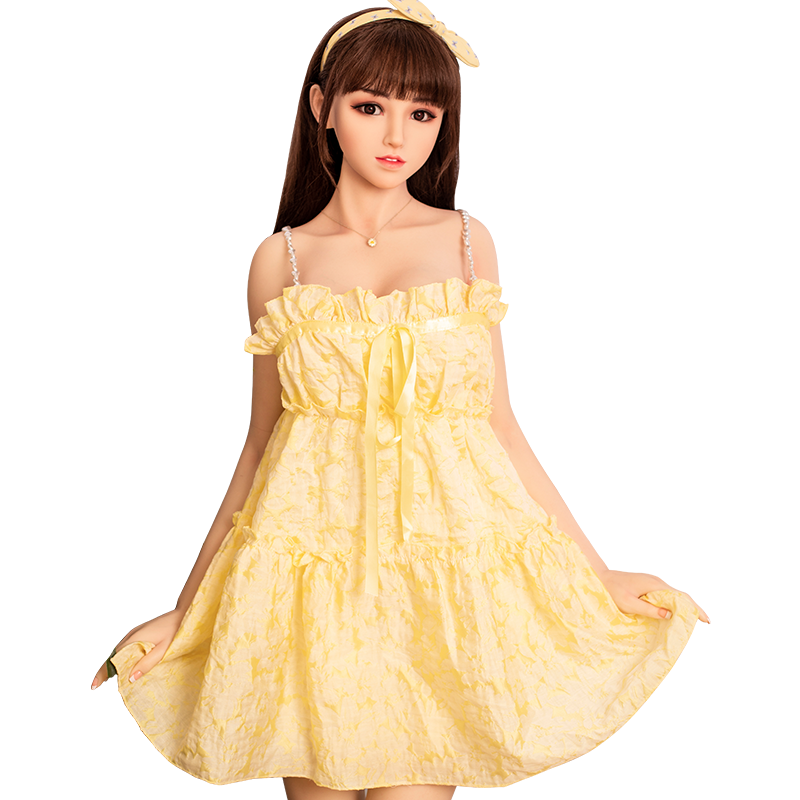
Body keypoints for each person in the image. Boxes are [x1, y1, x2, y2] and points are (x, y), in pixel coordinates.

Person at [93, 1, 710, 795]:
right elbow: (259, 447)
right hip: (314, 578)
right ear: (322, 108)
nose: (397, 135)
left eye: (422, 113)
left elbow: (503, 430)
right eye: (370, 106)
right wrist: (187, 614)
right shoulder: (279, 261)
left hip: (442, 576)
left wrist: (597, 576)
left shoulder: (467, 243)